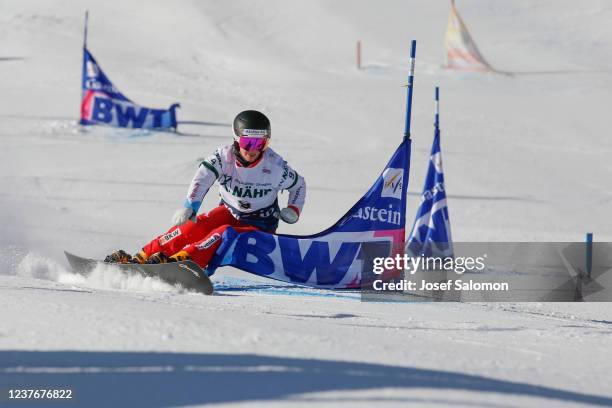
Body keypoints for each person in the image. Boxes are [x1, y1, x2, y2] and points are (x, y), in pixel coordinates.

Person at [104, 110, 306, 271]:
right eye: (247, 142)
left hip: (260, 225)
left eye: (260, 143)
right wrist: (190, 206)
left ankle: (183, 262)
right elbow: (203, 176)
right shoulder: (224, 157)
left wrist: (293, 209)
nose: (253, 149)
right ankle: (142, 257)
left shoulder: (275, 167)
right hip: (230, 212)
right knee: (193, 226)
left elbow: (299, 185)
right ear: (236, 139)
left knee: (223, 233)